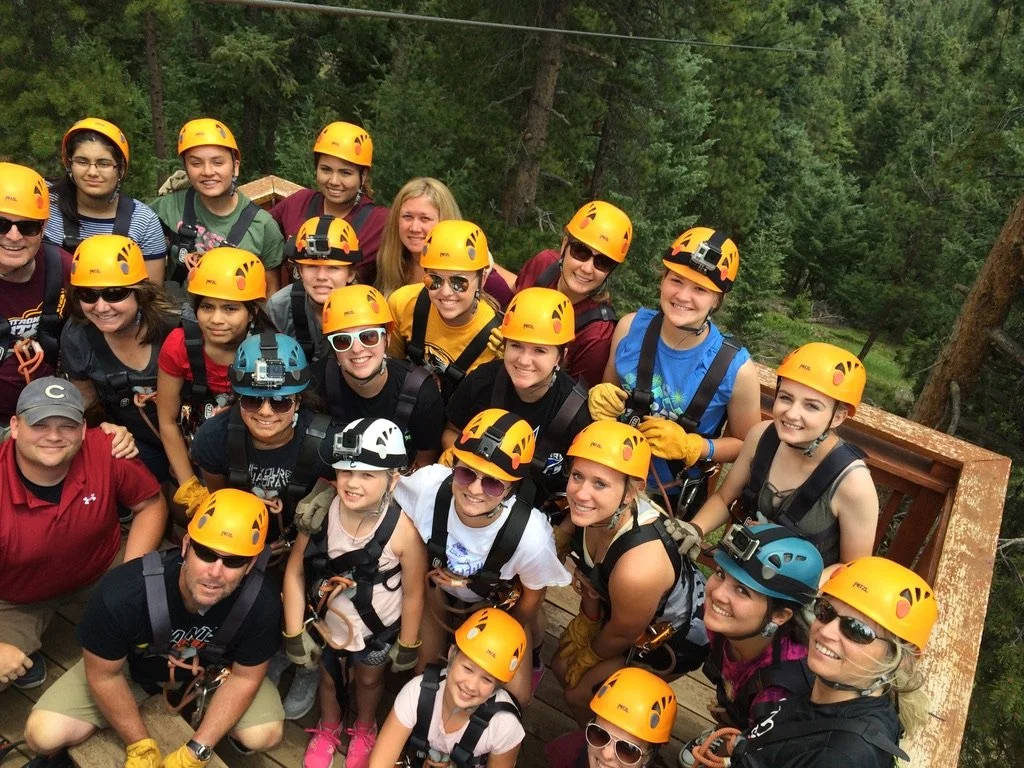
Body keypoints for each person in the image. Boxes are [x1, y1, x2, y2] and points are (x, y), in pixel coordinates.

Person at [24, 489, 285, 766]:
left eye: (234, 561)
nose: (215, 572)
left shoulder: (261, 604)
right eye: (206, 553)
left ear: (251, 564)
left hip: (213, 674)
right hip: (131, 669)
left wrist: (198, 750)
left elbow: (245, 678)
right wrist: (139, 745)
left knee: (263, 735)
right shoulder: (124, 594)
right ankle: (125, 715)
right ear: (186, 545)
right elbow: (104, 675)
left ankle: (211, 721)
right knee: (42, 734)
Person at [391, 408, 571, 706]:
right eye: (465, 473)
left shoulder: (530, 536)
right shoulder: (428, 487)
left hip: (495, 603)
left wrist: (511, 633)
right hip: (436, 588)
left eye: (492, 483)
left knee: (516, 698)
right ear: (453, 465)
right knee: (423, 673)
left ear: (511, 488)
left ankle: (534, 651)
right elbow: (393, 504)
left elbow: (533, 596)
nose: (474, 489)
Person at [0, 377, 165, 693]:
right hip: (16, 597)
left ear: (82, 428)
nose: (54, 436)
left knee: (170, 601)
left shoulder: (106, 447)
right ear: (15, 426)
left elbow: (150, 504)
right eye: (40, 424)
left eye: (67, 425)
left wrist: (129, 579)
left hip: (100, 569)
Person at [283, 417, 427, 768]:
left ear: (392, 478)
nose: (352, 482)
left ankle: (364, 726)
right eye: (346, 472)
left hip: (378, 630)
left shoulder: (402, 532)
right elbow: (295, 571)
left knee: (368, 679)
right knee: (328, 678)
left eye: (367, 474)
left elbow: (413, 591)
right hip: (329, 624)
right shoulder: (321, 514)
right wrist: (293, 631)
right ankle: (329, 724)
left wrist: (407, 642)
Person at [589, 226, 761, 519]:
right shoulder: (630, 328)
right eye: (676, 280)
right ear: (663, 280)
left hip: (668, 496)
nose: (683, 295)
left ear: (716, 300)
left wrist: (693, 446)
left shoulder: (735, 368)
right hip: (606, 470)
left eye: (700, 289)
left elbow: (748, 445)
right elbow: (609, 391)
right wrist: (599, 398)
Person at [552, 421, 708, 724]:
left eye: (600, 484)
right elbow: (594, 583)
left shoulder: (638, 566)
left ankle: (613, 747)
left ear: (630, 493)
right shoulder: (596, 516)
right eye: (577, 476)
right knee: (560, 667)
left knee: (579, 694)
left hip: (671, 641)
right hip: (627, 614)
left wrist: (591, 653)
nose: (581, 494)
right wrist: (589, 618)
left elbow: (624, 631)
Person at [721, 556, 938, 768]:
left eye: (856, 630)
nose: (826, 631)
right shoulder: (828, 693)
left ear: (898, 660)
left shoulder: (841, 756)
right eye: (825, 611)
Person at [684, 343, 878, 571]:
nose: (792, 413)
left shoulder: (853, 484)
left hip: (795, 597)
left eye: (812, 406)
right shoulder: (762, 437)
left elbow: (852, 568)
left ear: (838, 417)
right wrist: (694, 528)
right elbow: (725, 498)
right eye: (786, 398)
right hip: (740, 574)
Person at [677, 523, 822, 767]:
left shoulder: (784, 688)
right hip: (746, 710)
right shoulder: (729, 626)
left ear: (780, 616)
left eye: (742, 591)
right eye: (721, 574)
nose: (719, 594)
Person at [444, 287, 591, 511]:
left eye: (540, 351)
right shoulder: (483, 382)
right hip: (474, 494)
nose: (524, 360)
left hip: (536, 511)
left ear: (561, 356)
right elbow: (451, 429)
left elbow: (586, 479)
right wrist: (458, 460)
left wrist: (565, 530)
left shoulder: (576, 412)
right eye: (516, 345)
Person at [60, 234, 179, 483]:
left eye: (115, 294)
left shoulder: (177, 326)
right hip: (134, 441)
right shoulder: (78, 336)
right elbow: (85, 398)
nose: (101, 307)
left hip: (189, 434)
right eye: (88, 295)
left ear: (139, 293)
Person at [157, 247, 271, 499]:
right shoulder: (180, 345)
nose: (216, 319)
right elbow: (166, 420)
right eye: (207, 307)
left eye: (230, 309)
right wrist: (189, 486)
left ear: (251, 311)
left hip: (249, 452)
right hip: (193, 448)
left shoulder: (269, 351)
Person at [368, 608, 526, 768]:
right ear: (451, 655)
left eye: (486, 679)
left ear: (497, 686)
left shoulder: (504, 726)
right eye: (468, 669)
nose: (471, 685)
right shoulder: (417, 693)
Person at [315, 284, 444, 469]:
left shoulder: (421, 392)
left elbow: (424, 465)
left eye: (368, 336)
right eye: (343, 340)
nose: (357, 349)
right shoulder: (318, 383)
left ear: (388, 338)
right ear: (333, 348)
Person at [151, 117, 283, 293]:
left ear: (235, 167)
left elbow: (270, 294)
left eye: (218, 162)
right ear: (186, 169)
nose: (207, 172)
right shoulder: (168, 206)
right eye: (196, 163)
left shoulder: (262, 226)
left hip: (235, 316)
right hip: (178, 314)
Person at [514, 201, 632, 385]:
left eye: (602, 262)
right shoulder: (543, 266)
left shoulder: (597, 334)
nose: (587, 268)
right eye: (580, 252)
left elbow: (572, 401)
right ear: (564, 246)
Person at [387, 219, 501, 401]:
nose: (446, 292)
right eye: (434, 280)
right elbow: (390, 365)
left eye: (458, 282)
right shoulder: (403, 304)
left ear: (483, 279)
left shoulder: (494, 339)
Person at [44, 117, 167, 283]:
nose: (92, 172)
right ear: (69, 165)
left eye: (103, 164)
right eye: (82, 161)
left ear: (121, 169)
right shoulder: (46, 205)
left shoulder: (143, 221)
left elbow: (152, 296)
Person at [269, 121, 388, 285]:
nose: (334, 181)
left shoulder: (379, 222)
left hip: (349, 308)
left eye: (345, 173)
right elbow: (259, 228)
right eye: (326, 170)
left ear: (363, 175)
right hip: (295, 306)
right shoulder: (298, 203)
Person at [0, 163, 73, 421]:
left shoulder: (63, 269)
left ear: (43, 228)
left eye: (28, 227)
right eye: (2, 224)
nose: (13, 236)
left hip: (45, 418)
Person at [374, 177, 513, 307]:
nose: (414, 228)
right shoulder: (390, 263)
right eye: (407, 217)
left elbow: (519, 292)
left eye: (425, 219)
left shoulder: (477, 271)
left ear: (445, 221)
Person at [267, 215, 362, 364]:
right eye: (312, 266)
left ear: (350, 274)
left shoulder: (366, 310)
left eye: (333, 268)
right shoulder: (281, 307)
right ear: (300, 271)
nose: (322, 276)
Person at [547, 666, 679, 768]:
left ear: (649, 756)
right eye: (599, 734)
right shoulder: (567, 753)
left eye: (627, 749)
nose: (606, 754)